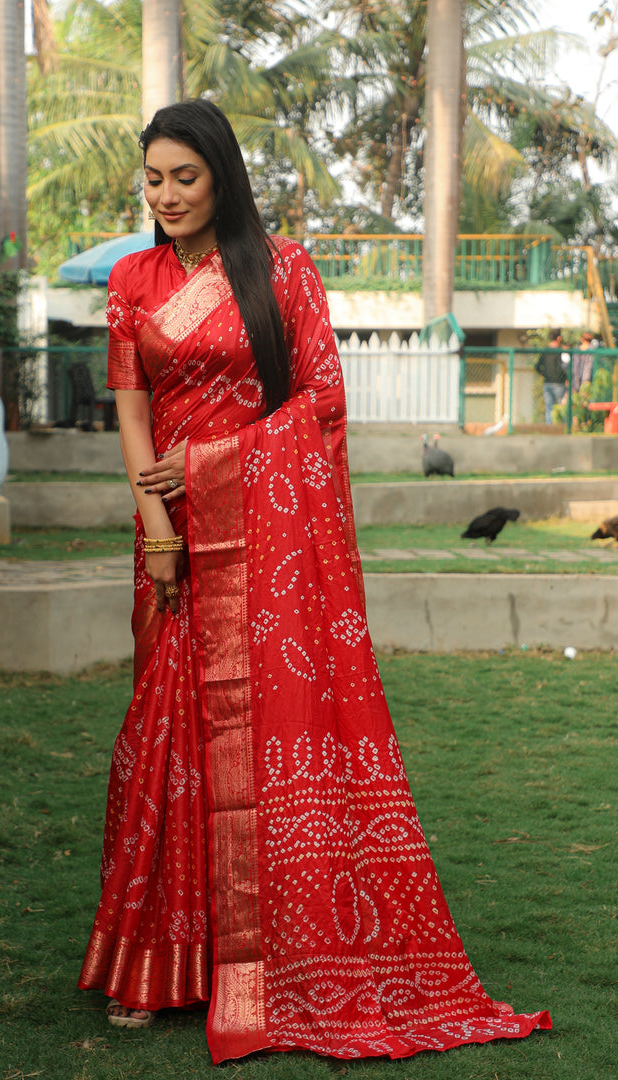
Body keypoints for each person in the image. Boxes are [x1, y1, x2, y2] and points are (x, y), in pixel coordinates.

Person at [78, 98, 550, 1063]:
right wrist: (160, 525)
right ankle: (164, 966)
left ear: (222, 176)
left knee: (268, 734)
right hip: (172, 536)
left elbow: (322, 410)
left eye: (185, 177)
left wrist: (213, 465)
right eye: (154, 179)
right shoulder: (132, 278)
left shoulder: (283, 269)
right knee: (171, 733)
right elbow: (133, 415)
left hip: (269, 546)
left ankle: (275, 960)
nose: (166, 196)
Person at [535, 328, 567, 422]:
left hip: (547, 383)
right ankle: (563, 427)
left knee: (549, 408)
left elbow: (537, 367)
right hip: (559, 383)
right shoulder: (562, 352)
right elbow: (566, 367)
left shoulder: (545, 351)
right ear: (559, 338)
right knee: (562, 407)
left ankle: (550, 429)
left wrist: (545, 374)